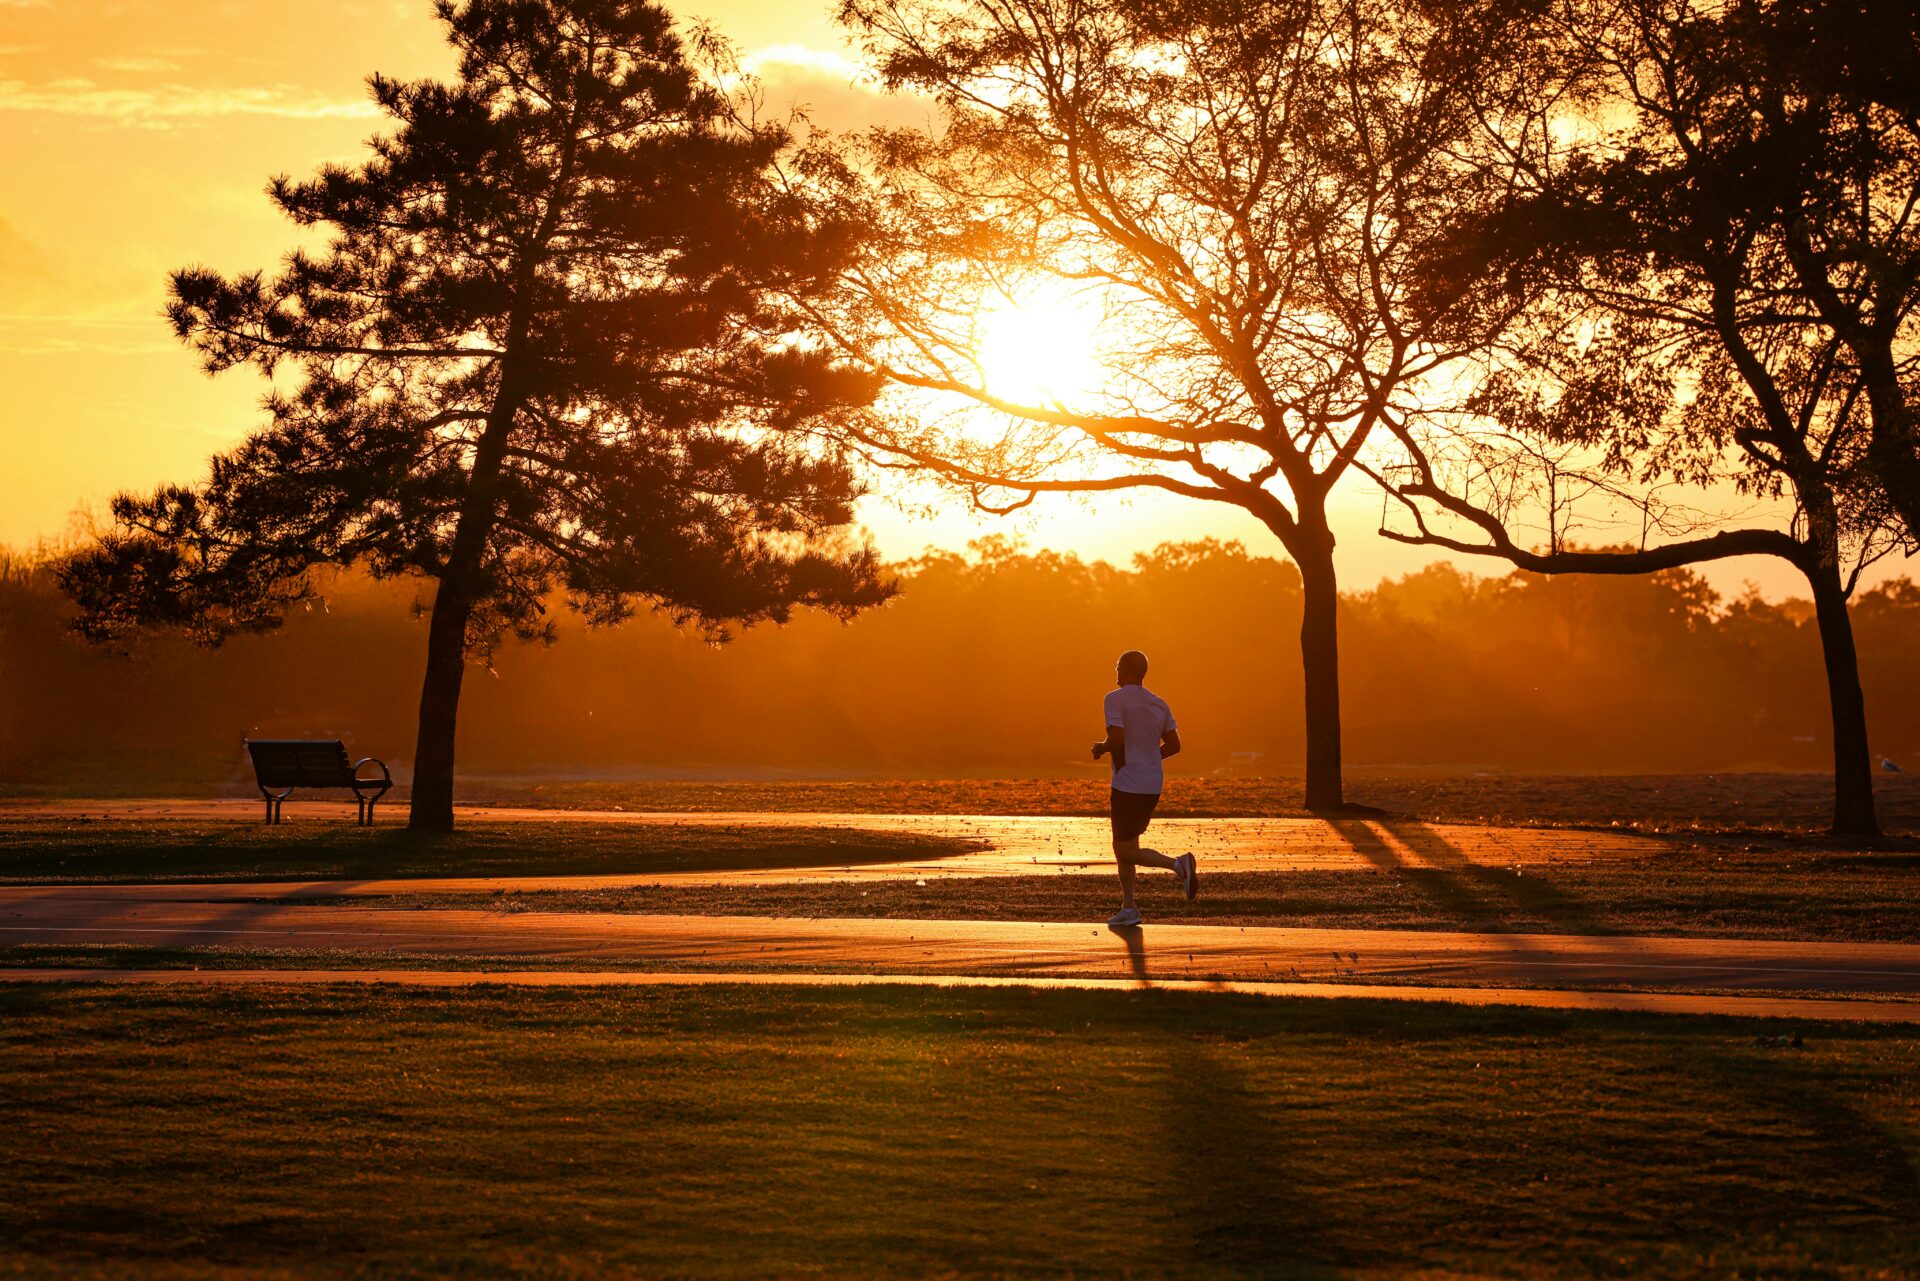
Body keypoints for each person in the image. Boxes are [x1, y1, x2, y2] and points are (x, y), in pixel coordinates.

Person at [1093, 649, 1194, 927]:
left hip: (1128, 784)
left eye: (1116, 668)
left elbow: (1117, 736)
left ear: (1124, 671)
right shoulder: (1159, 703)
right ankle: (1128, 908)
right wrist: (1149, 758)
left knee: (1124, 850)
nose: (1114, 675)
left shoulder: (1113, 699)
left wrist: (1101, 748)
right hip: (1151, 782)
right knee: (1126, 844)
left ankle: (1178, 865)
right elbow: (1174, 746)